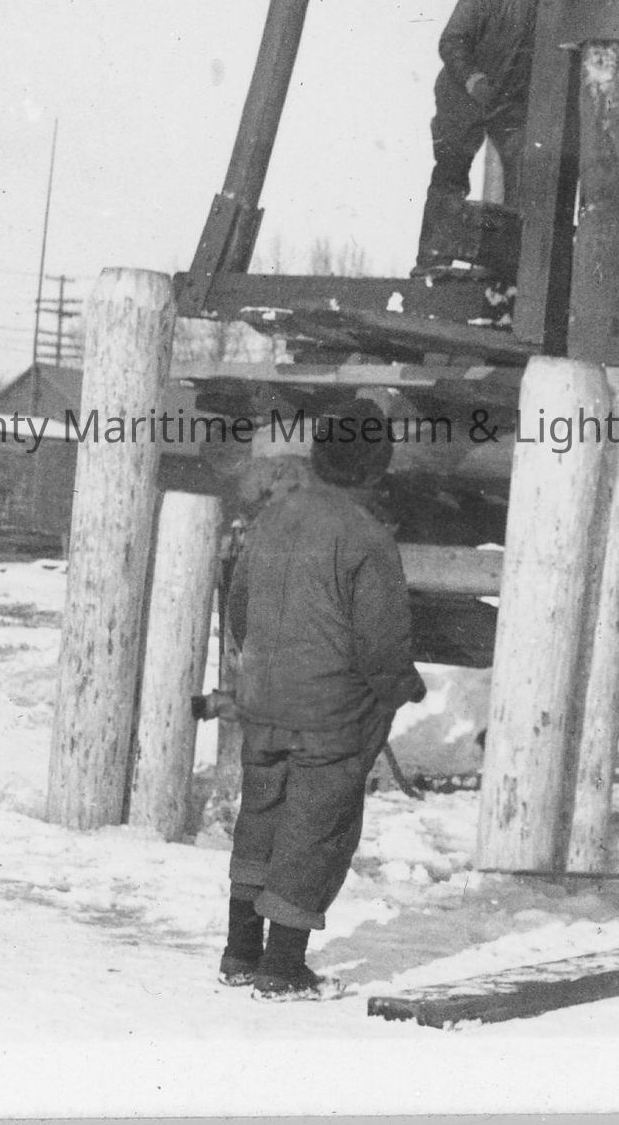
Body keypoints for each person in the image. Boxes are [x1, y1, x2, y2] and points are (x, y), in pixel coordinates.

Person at [219, 399, 426, 1000]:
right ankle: (283, 968)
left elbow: (238, 611)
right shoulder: (368, 538)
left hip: (265, 700)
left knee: (260, 814)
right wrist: (402, 685)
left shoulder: (271, 520)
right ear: (378, 465)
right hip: (332, 712)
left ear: (318, 455)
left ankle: (240, 953)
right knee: (316, 825)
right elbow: (379, 641)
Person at [417, 0, 547, 271]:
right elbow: (452, 39)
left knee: (525, 176)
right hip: (462, 96)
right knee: (451, 172)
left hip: (509, 104)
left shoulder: (550, 2)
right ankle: (432, 261)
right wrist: (472, 78)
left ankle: (510, 266)